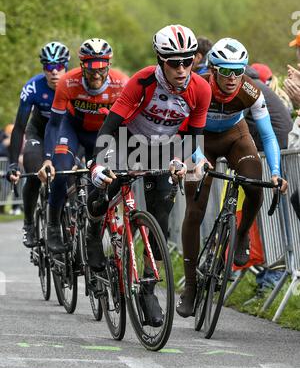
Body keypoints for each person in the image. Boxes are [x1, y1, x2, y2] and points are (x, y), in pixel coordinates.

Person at [88, 24, 212, 326]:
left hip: (165, 148)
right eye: (174, 62)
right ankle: (93, 233)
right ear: (160, 60)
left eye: (189, 60)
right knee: (102, 188)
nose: (182, 69)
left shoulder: (201, 89)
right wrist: (99, 165)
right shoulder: (142, 82)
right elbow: (109, 128)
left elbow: (193, 138)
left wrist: (184, 161)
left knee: (161, 216)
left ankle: (147, 289)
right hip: (128, 142)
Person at [176, 37, 288, 318]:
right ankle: (190, 287)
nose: (232, 78)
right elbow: (186, 131)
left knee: (254, 183)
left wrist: (276, 172)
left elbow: (268, 135)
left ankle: (240, 236)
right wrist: (193, 161)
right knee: (195, 208)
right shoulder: (195, 86)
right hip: (200, 140)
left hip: (235, 137)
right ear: (212, 69)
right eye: (225, 71)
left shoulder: (251, 91)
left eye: (238, 71)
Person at [38, 38, 129, 255]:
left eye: (101, 69)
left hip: (102, 137)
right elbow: (54, 124)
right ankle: (52, 226)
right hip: (72, 131)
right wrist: (49, 158)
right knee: (60, 173)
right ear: (81, 66)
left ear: (108, 65)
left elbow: (127, 125)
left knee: (100, 187)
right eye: (90, 70)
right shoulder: (68, 83)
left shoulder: (121, 83)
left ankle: (93, 236)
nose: (96, 75)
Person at [6, 42, 70, 246]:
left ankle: (75, 219)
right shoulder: (33, 88)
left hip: (65, 133)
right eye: (48, 67)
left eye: (59, 66)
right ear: (43, 69)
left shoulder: (75, 85)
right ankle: (29, 224)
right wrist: (14, 163)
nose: (54, 72)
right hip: (38, 133)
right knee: (35, 173)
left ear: (66, 66)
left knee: (73, 175)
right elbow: (18, 128)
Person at [245, 65, 293, 150]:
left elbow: (236, 119)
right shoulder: (255, 83)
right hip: (284, 140)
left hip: (278, 144)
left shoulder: (248, 86)